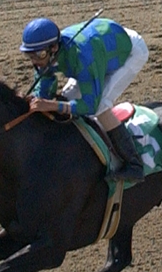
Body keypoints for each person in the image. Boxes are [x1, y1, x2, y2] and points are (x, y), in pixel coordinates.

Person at [20, 15, 150, 183]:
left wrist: (52, 104)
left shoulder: (82, 56)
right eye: (30, 56)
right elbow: (45, 88)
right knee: (66, 99)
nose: (35, 61)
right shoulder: (47, 55)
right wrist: (39, 100)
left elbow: (89, 105)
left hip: (128, 51)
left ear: (53, 48)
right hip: (100, 48)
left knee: (100, 106)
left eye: (39, 55)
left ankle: (134, 165)